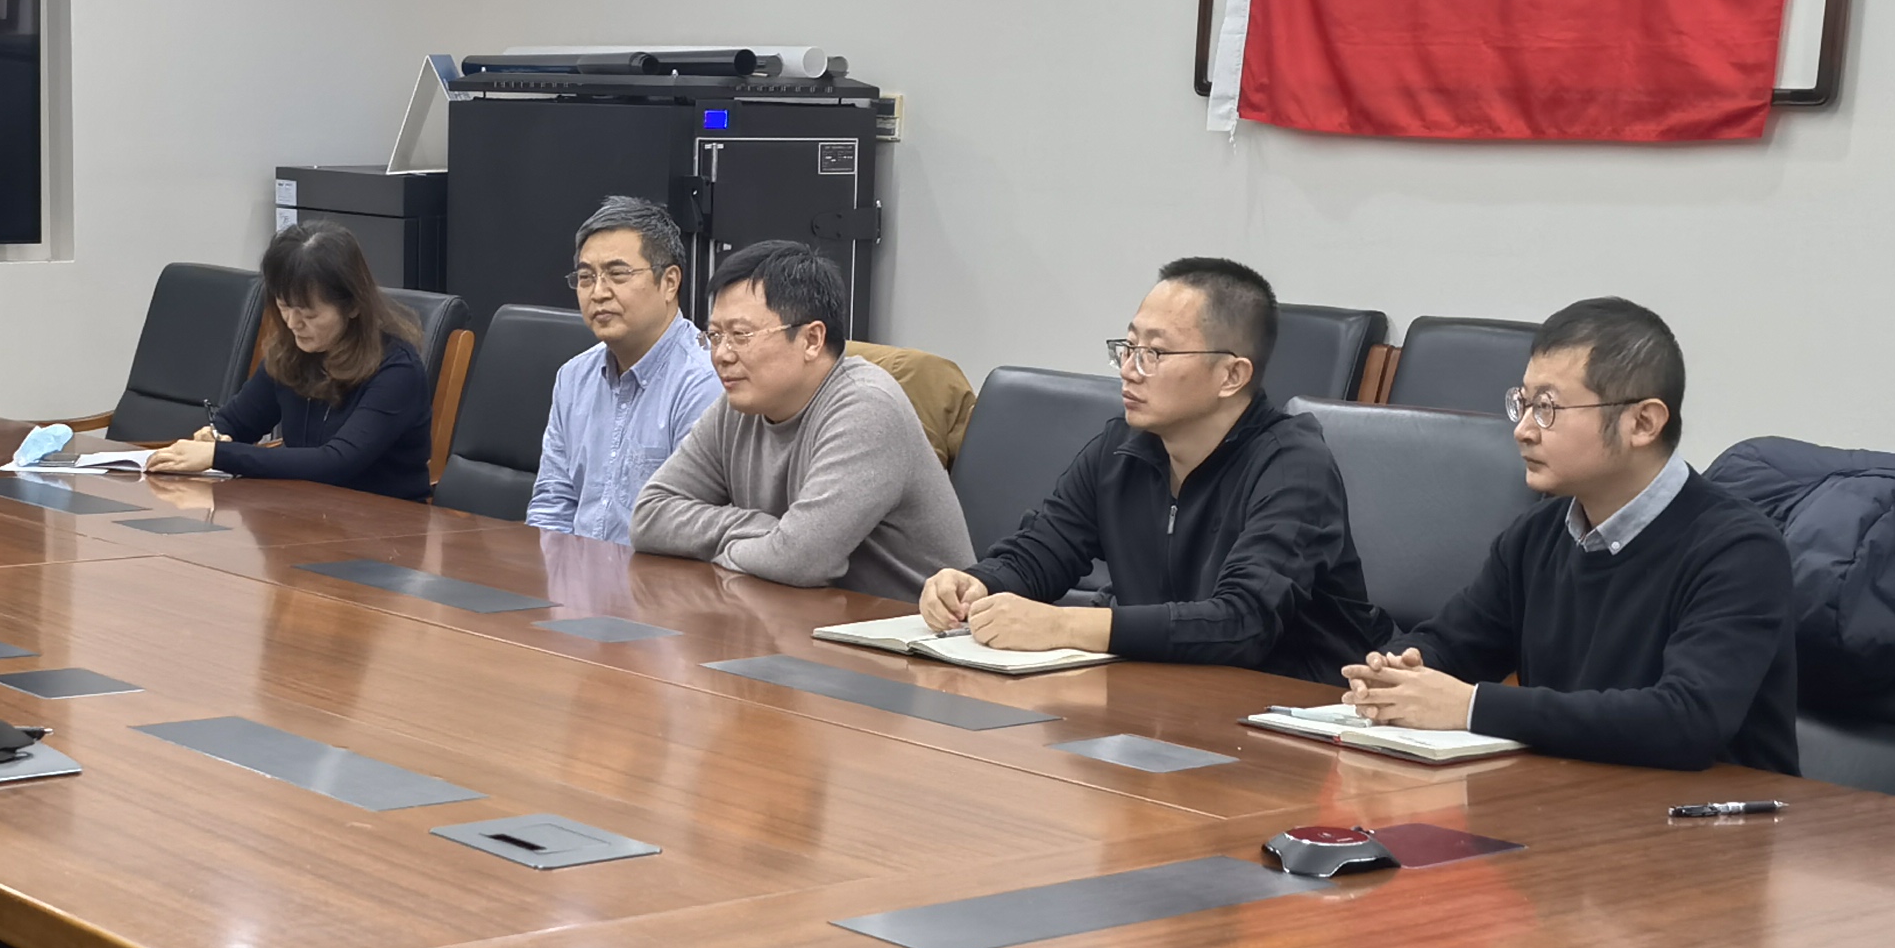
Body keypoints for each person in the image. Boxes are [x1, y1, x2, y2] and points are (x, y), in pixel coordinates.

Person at [1343, 294, 1800, 771]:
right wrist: (1394, 671)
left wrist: (1472, 707)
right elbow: (1452, 644)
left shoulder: (1738, 550)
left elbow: (1687, 720)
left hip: (1716, 810)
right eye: (1523, 403)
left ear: (1642, 422)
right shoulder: (1536, 535)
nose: (1523, 430)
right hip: (1573, 795)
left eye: (1547, 407)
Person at [916, 256, 1384, 684]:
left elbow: (1242, 622)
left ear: (1232, 376)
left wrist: (1062, 625)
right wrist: (977, 583)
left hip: (1291, 710)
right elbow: (1043, 550)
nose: (1128, 369)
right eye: (1129, 346)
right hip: (1159, 691)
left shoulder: (1293, 467)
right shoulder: (1122, 447)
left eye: (1154, 354)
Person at [630, 239, 970, 593]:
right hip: (798, 612)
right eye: (715, 336)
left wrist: (736, 547)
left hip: (907, 622)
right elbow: (650, 516)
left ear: (812, 339)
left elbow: (800, 562)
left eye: (741, 335)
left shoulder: (866, 407)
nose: (722, 355)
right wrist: (761, 530)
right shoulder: (739, 406)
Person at [141, 221, 431, 497]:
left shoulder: (397, 369)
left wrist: (220, 455)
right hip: (303, 510)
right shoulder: (293, 352)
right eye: (284, 307)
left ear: (353, 306)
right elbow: (237, 422)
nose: (293, 323)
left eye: (309, 314)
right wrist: (215, 436)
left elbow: (337, 461)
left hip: (384, 521)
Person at [525, 198, 720, 544]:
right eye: (586, 277)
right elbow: (552, 505)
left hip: (657, 575)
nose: (598, 293)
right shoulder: (573, 377)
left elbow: (693, 530)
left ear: (670, 282)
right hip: (572, 573)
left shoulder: (706, 381)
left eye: (617, 274)